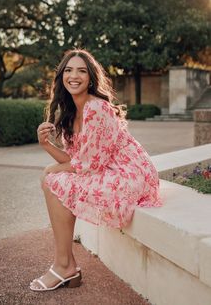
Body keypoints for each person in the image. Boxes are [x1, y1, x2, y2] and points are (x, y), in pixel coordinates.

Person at [30, 48, 163, 292]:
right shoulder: (71, 111)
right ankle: (66, 265)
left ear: (91, 78)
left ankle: (64, 266)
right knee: (52, 179)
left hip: (130, 172)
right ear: (61, 76)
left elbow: (87, 166)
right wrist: (46, 145)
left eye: (82, 71)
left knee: (52, 179)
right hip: (104, 168)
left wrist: (51, 169)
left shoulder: (97, 108)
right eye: (68, 70)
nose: (74, 76)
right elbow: (78, 160)